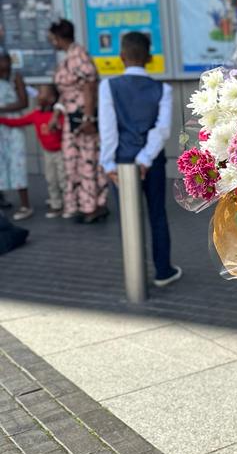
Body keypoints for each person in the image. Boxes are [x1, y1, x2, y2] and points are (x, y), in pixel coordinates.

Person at [98, 32, 182, 287]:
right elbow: (162, 130)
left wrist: (108, 164)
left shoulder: (108, 86)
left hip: (120, 163)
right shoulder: (163, 89)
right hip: (152, 163)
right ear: (149, 58)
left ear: (121, 56)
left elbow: (108, 129)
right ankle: (162, 271)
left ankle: (134, 271)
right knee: (157, 213)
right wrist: (145, 158)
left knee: (127, 217)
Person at [48, 20, 109, 223]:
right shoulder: (68, 57)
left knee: (88, 160)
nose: (51, 42)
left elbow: (89, 86)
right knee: (74, 161)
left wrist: (88, 118)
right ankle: (83, 204)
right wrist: (57, 114)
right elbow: (66, 93)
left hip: (83, 119)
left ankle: (95, 205)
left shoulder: (78, 55)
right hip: (71, 119)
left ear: (58, 37)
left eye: (52, 38)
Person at [0, 84, 65, 218]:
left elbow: (64, 128)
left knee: (64, 179)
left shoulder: (57, 116)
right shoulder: (36, 115)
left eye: (42, 93)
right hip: (48, 153)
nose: (37, 96)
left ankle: (68, 202)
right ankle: (56, 204)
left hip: (61, 153)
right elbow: (19, 122)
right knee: (51, 179)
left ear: (52, 98)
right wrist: (2, 120)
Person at [0, 51, 31, 220]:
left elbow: (24, 102)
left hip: (13, 125)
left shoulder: (15, 77)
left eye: (6, 60)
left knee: (17, 163)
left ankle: (25, 204)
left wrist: (3, 109)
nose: (5, 63)